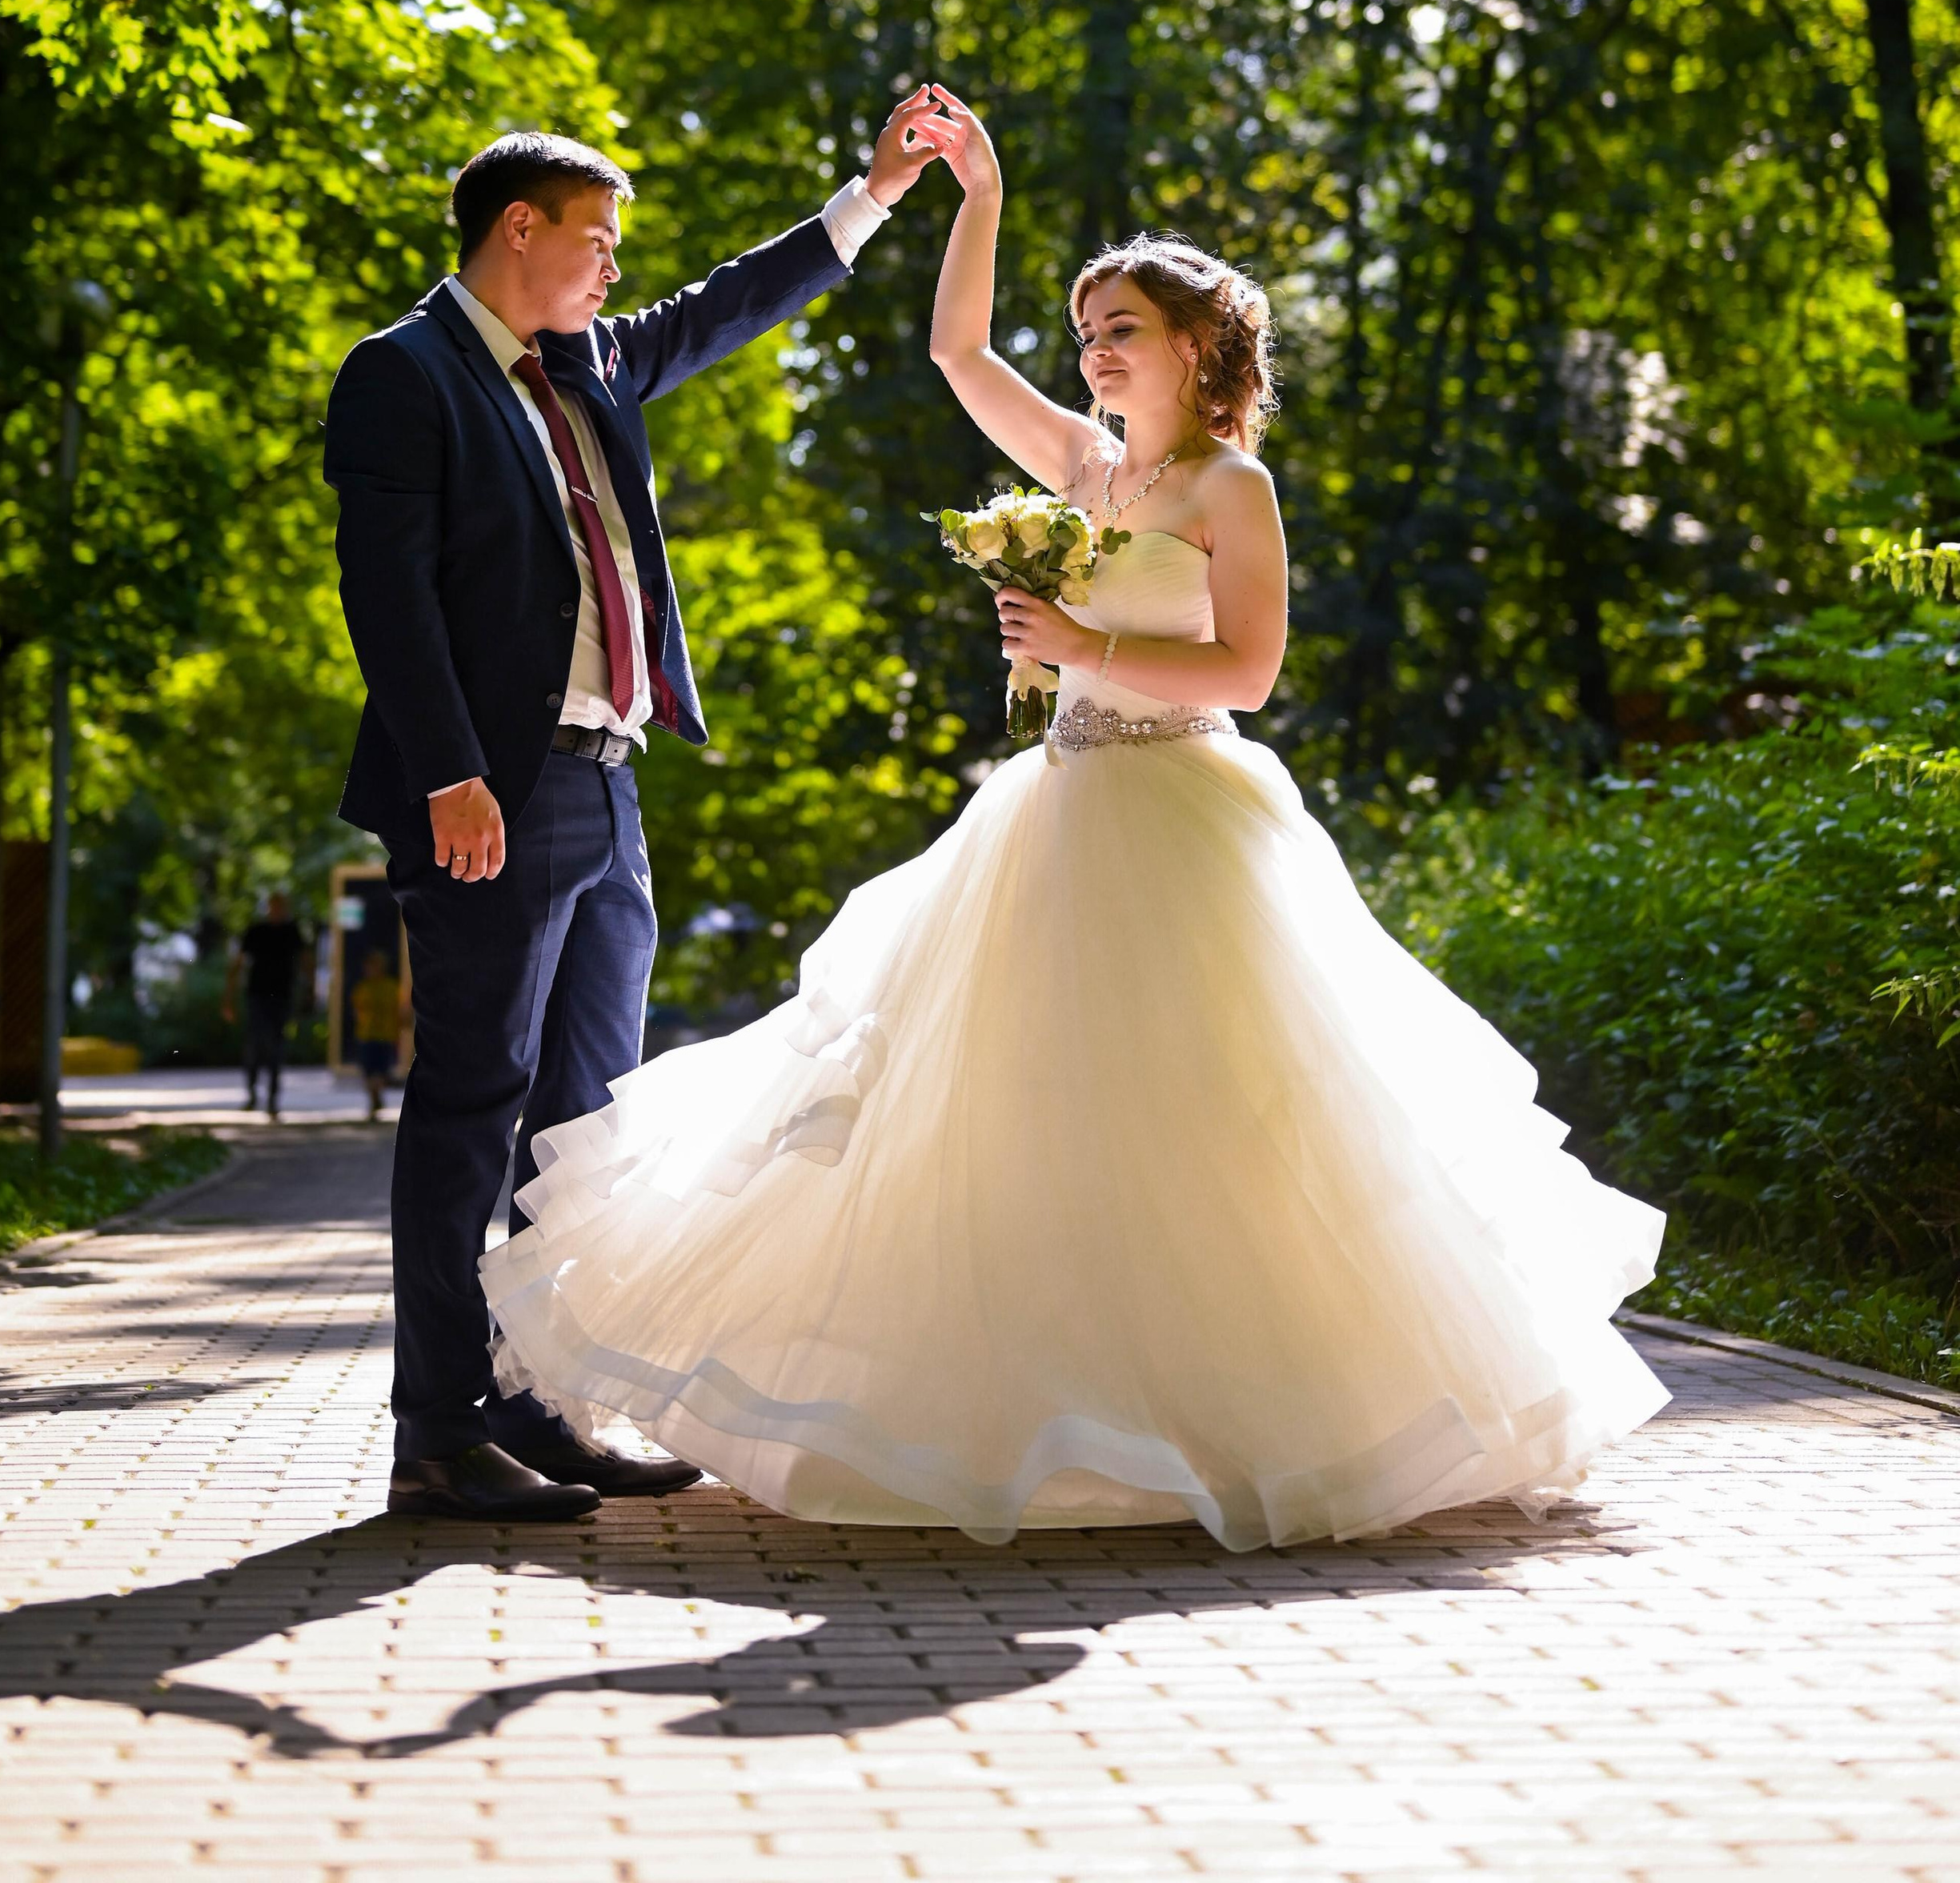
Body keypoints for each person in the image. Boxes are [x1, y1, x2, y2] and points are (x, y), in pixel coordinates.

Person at [482, 87, 1669, 1549]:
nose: (1096, 349)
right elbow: (954, 350)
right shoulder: (1090, 470)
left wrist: (1072, 640)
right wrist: (973, 195)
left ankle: (1252, 1420)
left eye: (1122, 327)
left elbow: (1248, 666)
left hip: (1191, 811)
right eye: (1089, 326)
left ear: (1197, 347)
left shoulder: (1232, 484)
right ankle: (1051, 1417)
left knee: (1220, 1117)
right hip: (1055, 811)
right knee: (1019, 1114)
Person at [323, 98, 952, 1523]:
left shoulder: (591, 358)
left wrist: (872, 194)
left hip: (609, 784)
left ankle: (546, 1397)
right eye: (596, 237)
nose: (614, 266)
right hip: (490, 786)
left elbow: (727, 305)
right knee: (472, 1104)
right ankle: (437, 1428)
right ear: (518, 227)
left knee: (583, 1121)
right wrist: (448, 771)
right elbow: (389, 594)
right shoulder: (403, 373)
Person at [224, 891, 307, 1120]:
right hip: (257, 996)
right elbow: (238, 964)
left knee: (276, 1047)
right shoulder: (256, 932)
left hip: (282, 997)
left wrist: (307, 992)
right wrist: (229, 997)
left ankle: (272, 1098)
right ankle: (252, 1093)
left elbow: (305, 962)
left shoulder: (292, 932)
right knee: (255, 1045)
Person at [351, 949, 404, 1120]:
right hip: (367, 1035)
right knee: (369, 1071)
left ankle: (376, 1098)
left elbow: (400, 1011)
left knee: (381, 1071)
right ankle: (374, 1099)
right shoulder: (363, 988)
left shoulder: (391, 987)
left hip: (385, 1035)